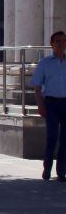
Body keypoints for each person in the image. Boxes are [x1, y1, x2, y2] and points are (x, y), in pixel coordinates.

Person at [32, 30, 66, 181]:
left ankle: (62, 171)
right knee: (52, 136)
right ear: (52, 44)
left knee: (65, 138)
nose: (61, 44)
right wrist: (40, 105)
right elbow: (37, 87)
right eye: (58, 41)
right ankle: (47, 169)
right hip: (51, 102)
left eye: (64, 41)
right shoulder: (45, 63)